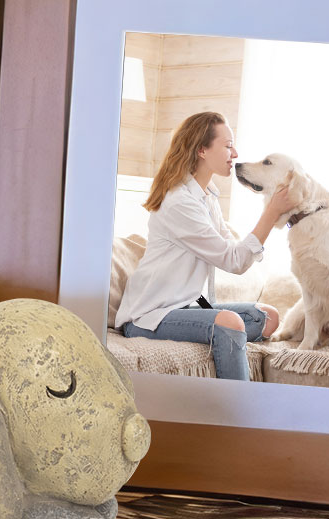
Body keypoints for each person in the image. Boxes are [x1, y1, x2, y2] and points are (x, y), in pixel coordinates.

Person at [115, 110, 298, 381]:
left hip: (188, 304)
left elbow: (233, 251)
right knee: (230, 323)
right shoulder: (180, 202)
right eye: (228, 146)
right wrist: (271, 212)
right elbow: (234, 262)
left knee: (268, 317)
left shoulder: (207, 196)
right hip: (150, 314)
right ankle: (236, 405)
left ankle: (214, 333)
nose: (235, 153)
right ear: (202, 150)